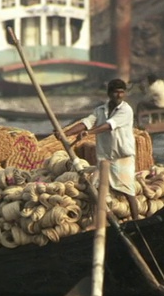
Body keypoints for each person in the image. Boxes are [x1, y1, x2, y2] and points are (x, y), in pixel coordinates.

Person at [59, 79, 140, 220]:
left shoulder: (126, 110)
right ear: (109, 93)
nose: (119, 95)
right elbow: (86, 123)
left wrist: (89, 133)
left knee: (128, 191)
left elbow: (109, 125)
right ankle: (104, 221)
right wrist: (64, 133)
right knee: (95, 188)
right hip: (105, 159)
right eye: (116, 92)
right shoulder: (100, 110)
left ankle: (137, 221)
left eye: (122, 92)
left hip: (122, 158)